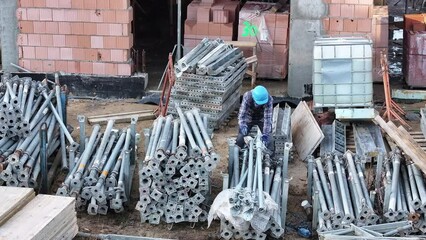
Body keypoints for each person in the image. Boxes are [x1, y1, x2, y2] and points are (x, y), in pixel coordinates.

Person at [236, 85, 273, 150]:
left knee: (270, 140)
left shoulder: (269, 99)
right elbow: (242, 115)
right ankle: (238, 153)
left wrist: (266, 134)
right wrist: (243, 126)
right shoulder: (247, 96)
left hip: (262, 118)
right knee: (240, 138)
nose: (260, 105)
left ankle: (270, 156)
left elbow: (268, 118)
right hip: (248, 117)